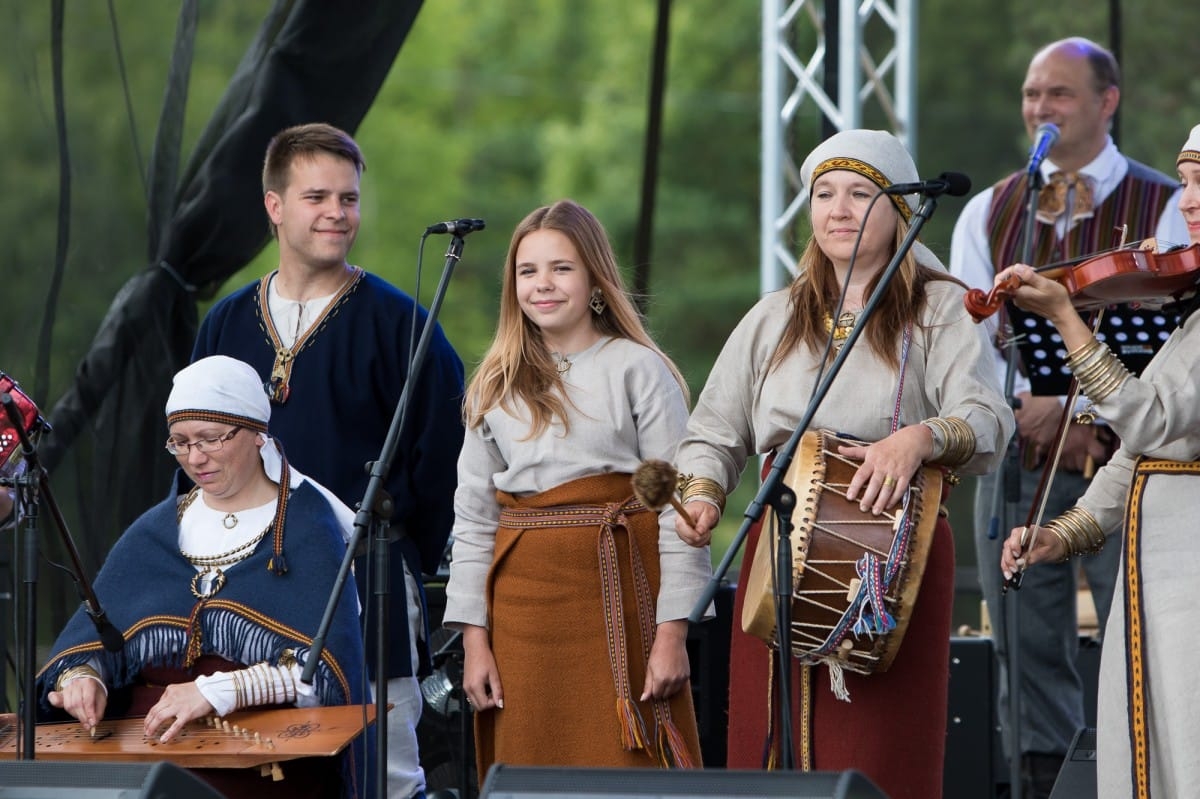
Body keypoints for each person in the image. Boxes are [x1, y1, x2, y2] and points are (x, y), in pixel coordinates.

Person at [673, 129, 1014, 799]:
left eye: (860, 193)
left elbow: (989, 419)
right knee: (766, 749)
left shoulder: (939, 306)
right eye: (824, 193)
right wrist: (706, 491)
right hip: (776, 550)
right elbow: (712, 430)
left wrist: (917, 439)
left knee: (879, 754)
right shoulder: (774, 316)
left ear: (902, 211)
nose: (839, 208)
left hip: (891, 555)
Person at [192, 122, 466, 799]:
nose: (337, 213)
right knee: (267, 771)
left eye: (348, 199)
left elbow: (445, 467)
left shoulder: (402, 325)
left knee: (389, 774)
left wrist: (401, 556)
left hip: (368, 580)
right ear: (274, 205)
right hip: (249, 588)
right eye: (317, 196)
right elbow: (190, 453)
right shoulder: (225, 324)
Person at [948, 36, 1189, 797]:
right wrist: (1025, 414)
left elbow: (1154, 409)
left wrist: (1077, 398)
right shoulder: (995, 207)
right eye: (1031, 95)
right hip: (1051, 463)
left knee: (1160, 682)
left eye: (1058, 94)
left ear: (1106, 101)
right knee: (1032, 654)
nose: (1039, 110)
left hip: (1149, 486)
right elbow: (971, 335)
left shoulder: (1156, 205)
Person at [442, 199, 712, 778]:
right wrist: (474, 641)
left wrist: (673, 633)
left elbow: (679, 510)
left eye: (561, 268)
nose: (543, 284)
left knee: (626, 770)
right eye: (527, 270)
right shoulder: (492, 383)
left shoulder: (639, 368)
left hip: (618, 599)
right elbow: (473, 519)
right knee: (533, 773)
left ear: (594, 278)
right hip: (521, 614)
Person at [36, 355, 369, 799]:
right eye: (179, 442)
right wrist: (82, 678)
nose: (195, 458)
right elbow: (98, 638)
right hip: (146, 758)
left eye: (211, 439)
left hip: (268, 763)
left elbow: (325, 677)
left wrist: (221, 690)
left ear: (256, 434)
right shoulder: (155, 531)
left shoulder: (309, 528)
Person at [996, 122, 1200, 799]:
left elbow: (1144, 417)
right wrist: (1063, 532)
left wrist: (1068, 317)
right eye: (1188, 181)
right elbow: (1148, 454)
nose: (1188, 200)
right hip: (1165, 583)